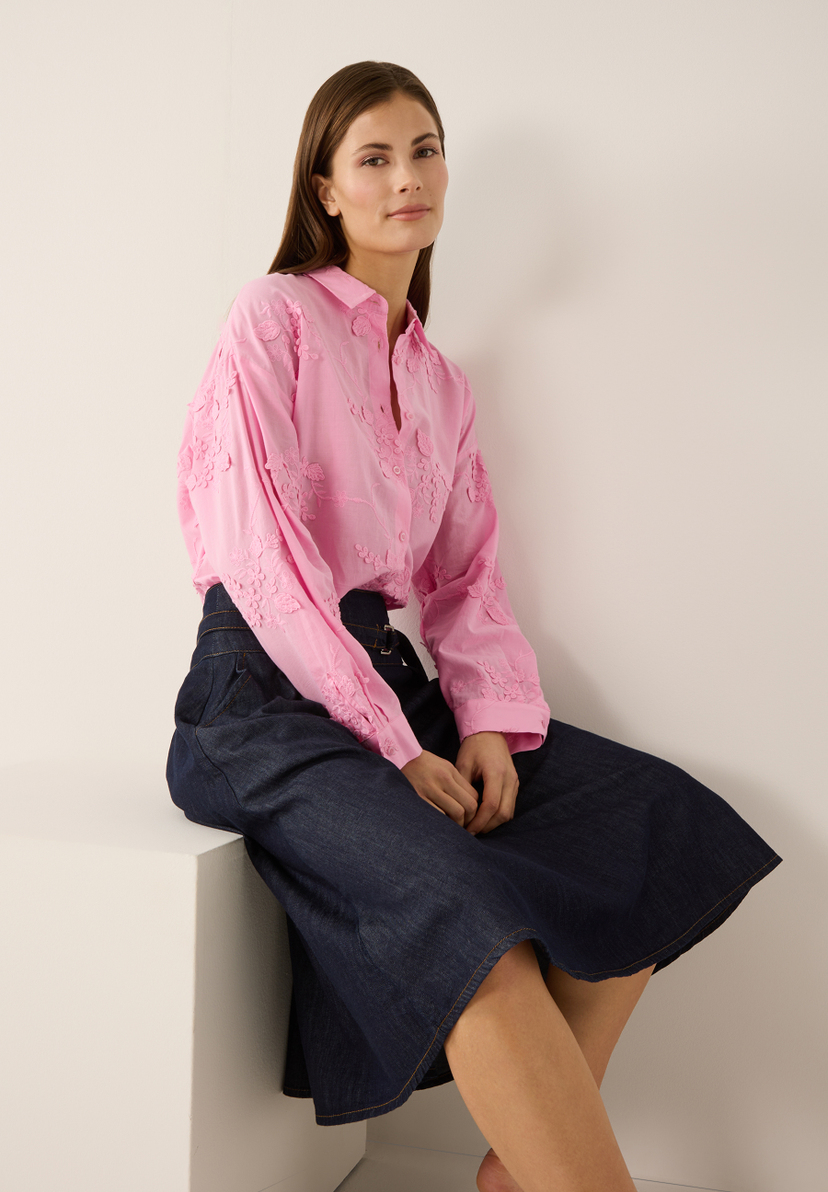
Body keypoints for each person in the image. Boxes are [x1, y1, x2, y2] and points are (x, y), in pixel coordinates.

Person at [167, 61, 781, 1192]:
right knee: (468, 912)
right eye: (375, 158)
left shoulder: (442, 383)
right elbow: (262, 557)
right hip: (260, 693)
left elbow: (463, 580)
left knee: (656, 824)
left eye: (426, 150)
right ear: (326, 190)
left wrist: (487, 724)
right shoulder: (274, 316)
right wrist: (394, 744)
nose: (408, 176)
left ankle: (516, 1171)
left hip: (392, 682)